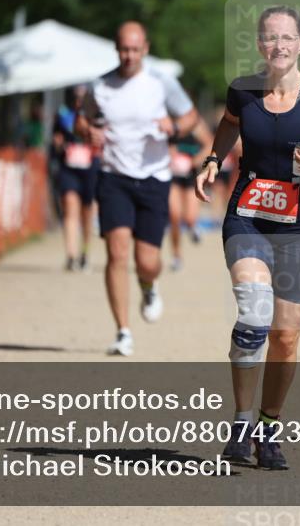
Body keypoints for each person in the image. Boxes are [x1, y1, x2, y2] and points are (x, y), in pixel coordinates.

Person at [195, 6, 300, 470]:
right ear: (259, 45)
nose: (279, 46)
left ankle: (270, 427)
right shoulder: (243, 91)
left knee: (285, 337)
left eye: (288, 38)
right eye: (271, 38)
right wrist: (214, 158)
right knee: (253, 315)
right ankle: (241, 422)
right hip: (247, 217)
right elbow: (230, 122)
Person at [82, 21, 200, 356]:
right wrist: (88, 131)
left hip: (154, 178)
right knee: (117, 253)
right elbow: (82, 119)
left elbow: (191, 117)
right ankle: (123, 331)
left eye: (135, 49)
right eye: (123, 49)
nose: (129, 55)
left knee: (147, 260)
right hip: (113, 177)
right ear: (116, 49)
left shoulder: (161, 83)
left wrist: (174, 126)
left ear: (145, 49)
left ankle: (149, 284)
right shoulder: (101, 85)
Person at [51, 85, 98, 271]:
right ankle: (70, 255)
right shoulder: (63, 116)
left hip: (90, 169)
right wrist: (59, 145)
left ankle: (85, 253)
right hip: (69, 169)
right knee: (70, 211)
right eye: (75, 96)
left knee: (87, 214)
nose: (78, 100)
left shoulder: (96, 117)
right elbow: (56, 140)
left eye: (82, 97)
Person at [167, 118, 213, 271]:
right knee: (174, 215)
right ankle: (176, 256)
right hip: (171, 174)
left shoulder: (196, 124)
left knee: (190, 217)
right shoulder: (166, 121)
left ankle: (193, 227)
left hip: (190, 174)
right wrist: (170, 155)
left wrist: (195, 161)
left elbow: (210, 144)